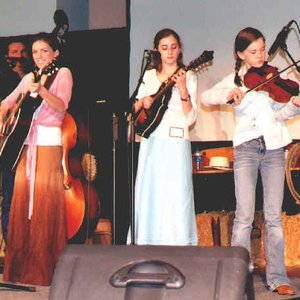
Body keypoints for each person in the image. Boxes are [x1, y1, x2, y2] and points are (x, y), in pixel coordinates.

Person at [201, 27, 300, 295]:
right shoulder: (235, 80)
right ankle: (237, 278)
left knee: (273, 217)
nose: (260, 56)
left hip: (274, 148)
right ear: (241, 54)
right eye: (253, 51)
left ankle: (278, 277)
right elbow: (205, 97)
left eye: (262, 49)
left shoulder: (273, 77)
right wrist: (228, 94)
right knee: (244, 216)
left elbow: (281, 114)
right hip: (246, 149)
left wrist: (295, 104)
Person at [0, 32, 73, 286]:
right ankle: (20, 271)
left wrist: (41, 90)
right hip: (26, 146)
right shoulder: (29, 77)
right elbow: (7, 103)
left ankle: (44, 270)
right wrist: (3, 118)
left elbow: (61, 106)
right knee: (21, 207)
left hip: (49, 145)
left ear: (55, 54)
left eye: (44, 51)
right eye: (35, 52)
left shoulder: (61, 73)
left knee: (43, 207)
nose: (39, 56)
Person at [131, 28, 198, 245]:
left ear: (179, 49)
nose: (169, 52)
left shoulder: (189, 75)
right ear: (157, 51)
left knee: (177, 195)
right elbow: (133, 109)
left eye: (174, 47)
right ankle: (147, 242)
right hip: (152, 140)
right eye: (164, 48)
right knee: (151, 192)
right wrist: (143, 102)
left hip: (177, 142)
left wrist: (184, 90)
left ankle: (178, 244)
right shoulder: (149, 76)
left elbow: (190, 119)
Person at [0, 40, 30, 246]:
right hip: (8, 147)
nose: (18, 56)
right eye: (14, 52)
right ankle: (11, 248)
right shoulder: (3, 78)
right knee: (9, 197)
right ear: (6, 56)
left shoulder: (32, 78)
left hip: (27, 144)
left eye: (22, 52)